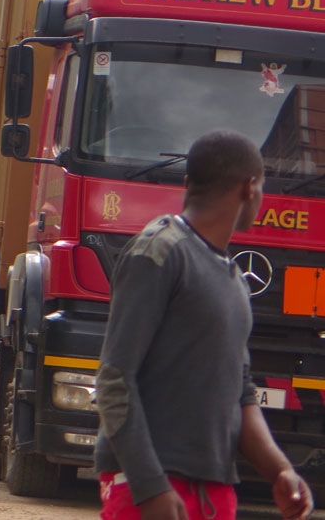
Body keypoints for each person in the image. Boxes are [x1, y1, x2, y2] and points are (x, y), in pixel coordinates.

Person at [95, 130, 314, 520]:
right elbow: (114, 378)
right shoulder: (158, 252)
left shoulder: (232, 279)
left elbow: (241, 395)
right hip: (149, 485)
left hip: (214, 488)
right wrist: (150, 487)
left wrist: (280, 471)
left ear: (186, 185)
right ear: (250, 187)